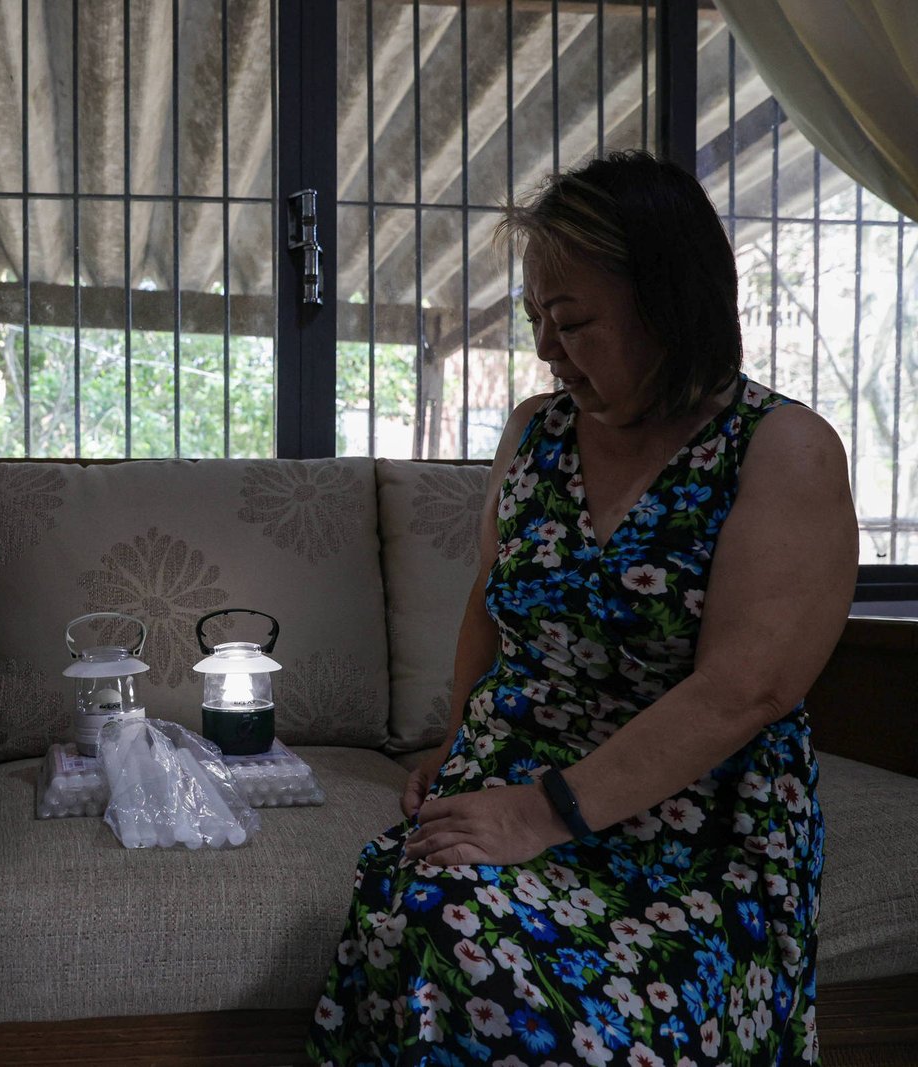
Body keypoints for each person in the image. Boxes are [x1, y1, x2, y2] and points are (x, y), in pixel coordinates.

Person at [309, 151, 857, 1066]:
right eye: (536, 321)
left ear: (670, 308)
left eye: (571, 323)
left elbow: (745, 690)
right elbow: (492, 602)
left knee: (483, 949)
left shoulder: (780, 449)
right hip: (516, 770)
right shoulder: (536, 429)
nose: (546, 351)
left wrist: (541, 813)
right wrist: (455, 746)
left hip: (687, 825)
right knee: (417, 900)